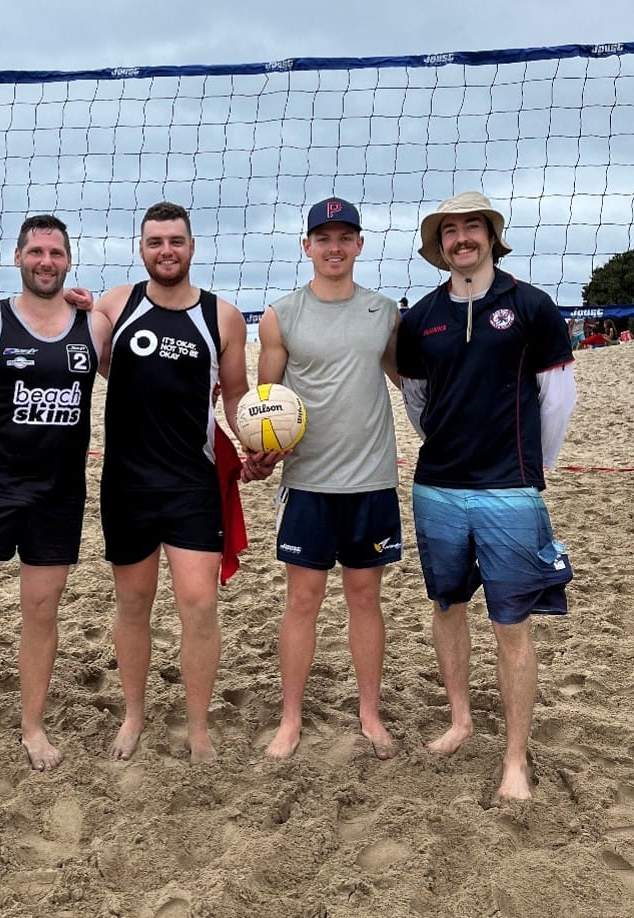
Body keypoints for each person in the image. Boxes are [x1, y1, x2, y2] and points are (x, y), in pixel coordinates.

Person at [397, 191, 576, 802]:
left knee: (511, 623)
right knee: (447, 605)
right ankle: (460, 719)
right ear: (439, 244)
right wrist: (447, 440)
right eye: (450, 230)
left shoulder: (530, 305)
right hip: (437, 487)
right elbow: (417, 401)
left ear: (491, 236)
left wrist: (531, 464)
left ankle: (515, 760)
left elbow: (557, 399)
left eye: (472, 226)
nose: (462, 238)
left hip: (510, 489)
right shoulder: (422, 317)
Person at [0, 215, 111, 771]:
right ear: (17, 257)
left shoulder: (95, 324)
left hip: (59, 494)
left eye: (55, 253)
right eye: (36, 252)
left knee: (40, 610)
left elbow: (142, 380)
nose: (45, 262)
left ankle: (32, 727)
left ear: (69, 260)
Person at [93, 201, 250, 764]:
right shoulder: (117, 303)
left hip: (192, 482)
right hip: (127, 484)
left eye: (175, 241)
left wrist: (254, 441)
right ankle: (134, 714)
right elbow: (86, 356)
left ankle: (198, 727)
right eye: (155, 241)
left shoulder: (222, 317)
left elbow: (235, 395)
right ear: (141, 248)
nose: (166, 251)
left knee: (199, 605)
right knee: (133, 603)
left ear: (192, 247)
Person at [252, 197, 403, 761]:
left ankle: (369, 713)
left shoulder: (384, 312)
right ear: (307, 245)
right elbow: (266, 405)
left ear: (359, 244)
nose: (334, 247)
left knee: (365, 599)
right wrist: (262, 455)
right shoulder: (281, 315)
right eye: (323, 237)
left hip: (371, 480)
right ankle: (290, 719)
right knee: (302, 601)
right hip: (309, 482)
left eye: (344, 237)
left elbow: (412, 382)